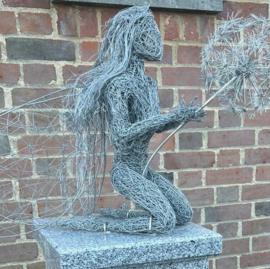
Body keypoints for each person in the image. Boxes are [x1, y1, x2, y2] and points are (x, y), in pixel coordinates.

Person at [64, 5, 204, 234]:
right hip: (126, 171)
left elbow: (154, 124)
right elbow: (122, 134)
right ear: (131, 37)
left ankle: (125, 214)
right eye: (148, 31)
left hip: (143, 169)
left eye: (155, 32)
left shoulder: (148, 84)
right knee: (164, 222)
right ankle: (105, 225)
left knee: (184, 214)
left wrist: (182, 117)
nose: (156, 39)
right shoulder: (118, 85)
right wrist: (168, 118)